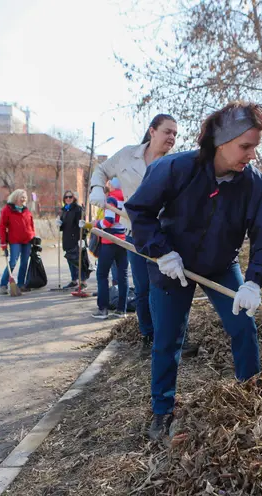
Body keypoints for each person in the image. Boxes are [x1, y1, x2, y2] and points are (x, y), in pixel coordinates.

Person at [125, 101, 262, 440]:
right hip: (172, 266)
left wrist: (255, 282)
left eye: (255, 147)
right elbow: (140, 213)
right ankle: (162, 412)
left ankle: (251, 396)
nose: (252, 155)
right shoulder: (175, 168)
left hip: (220, 265)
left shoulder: (253, 184)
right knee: (168, 339)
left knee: (243, 326)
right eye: (246, 146)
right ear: (221, 141)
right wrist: (162, 252)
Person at [89, 114, 178, 353]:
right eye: (167, 131)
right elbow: (101, 170)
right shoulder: (128, 155)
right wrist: (97, 187)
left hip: (165, 235)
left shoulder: (175, 163)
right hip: (135, 232)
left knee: (166, 288)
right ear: (152, 131)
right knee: (142, 288)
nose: (172, 137)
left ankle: (169, 337)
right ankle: (148, 337)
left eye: (175, 134)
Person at [89, 195, 129, 320]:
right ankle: (122, 310)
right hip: (123, 241)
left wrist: (95, 223)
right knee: (123, 276)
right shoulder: (127, 196)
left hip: (109, 242)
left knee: (102, 275)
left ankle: (103, 309)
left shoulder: (112, 198)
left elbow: (108, 221)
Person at [0, 189, 35, 294]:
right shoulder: (7, 210)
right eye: (21, 197)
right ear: (15, 198)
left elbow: (31, 225)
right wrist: (3, 241)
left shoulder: (26, 210)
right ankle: (3, 285)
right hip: (15, 241)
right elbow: (2, 226)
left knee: (24, 263)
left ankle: (21, 284)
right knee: (13, 262)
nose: (23, 199)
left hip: (27, 240)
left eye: (25, 197)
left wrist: (33, 236)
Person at [56, 190, 88, 289]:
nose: (68, 199)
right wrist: (59, 224)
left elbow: (83, 225)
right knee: (70, 260)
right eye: (66, 197)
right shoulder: (64, 210)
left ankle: (83, 281)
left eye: (70, 197)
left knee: (79, 260)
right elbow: (63, 225)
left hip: (77, 238)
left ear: (74, 198)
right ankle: (74, 280)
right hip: (67, 238)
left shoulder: (78, 209)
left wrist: (83, 237)